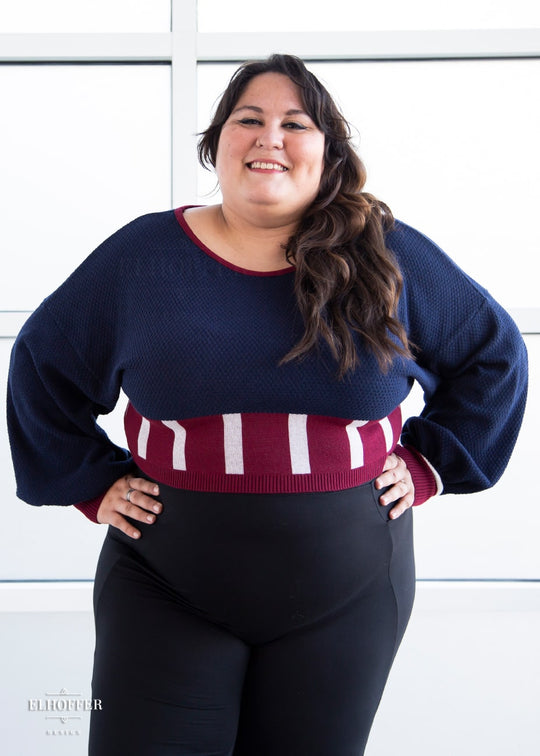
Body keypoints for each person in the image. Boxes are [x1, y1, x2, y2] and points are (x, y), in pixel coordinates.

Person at [7, 54, 527, 755]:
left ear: (327, 150)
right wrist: (91, 482)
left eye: (295, 123)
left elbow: (493, 355)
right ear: (215, 142)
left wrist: (433, 464)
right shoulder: (143, 257)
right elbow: (43, 362)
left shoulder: (387, 254)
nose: (269, 137)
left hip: (349, 594)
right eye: (247, 119)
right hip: (164, 584)